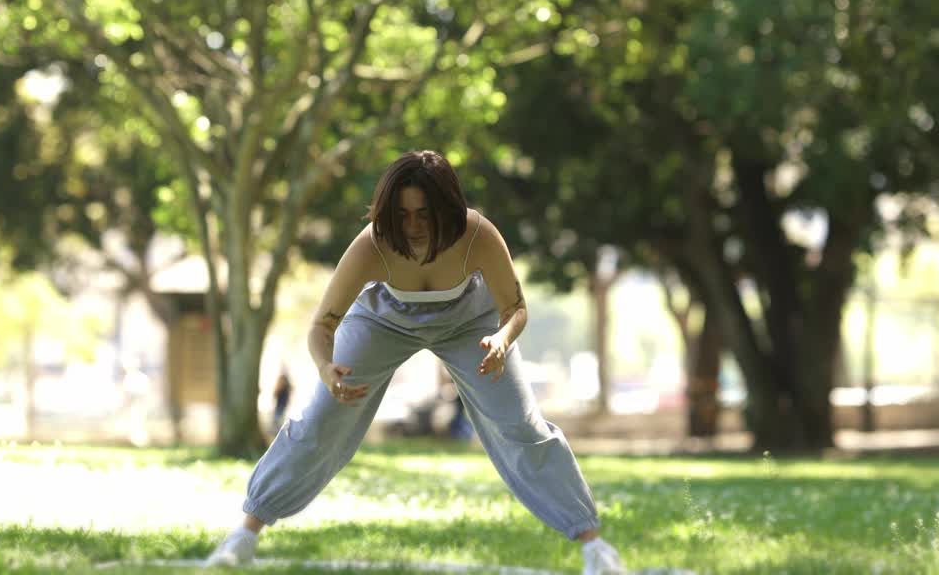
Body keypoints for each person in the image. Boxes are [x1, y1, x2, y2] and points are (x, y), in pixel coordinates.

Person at [206, 150, 625, 574]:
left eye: (424, 214)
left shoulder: (477, 234)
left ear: (448, 208)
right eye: (402, 215)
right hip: (383, 321)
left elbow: (515, 307)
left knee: (520, 425)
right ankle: (244, 534)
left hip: (471, 324)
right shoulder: (373, 244)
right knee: (321, 419)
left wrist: (502, 340)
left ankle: (594, 546)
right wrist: (324, 369)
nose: (413, 227)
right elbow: (322, 325)